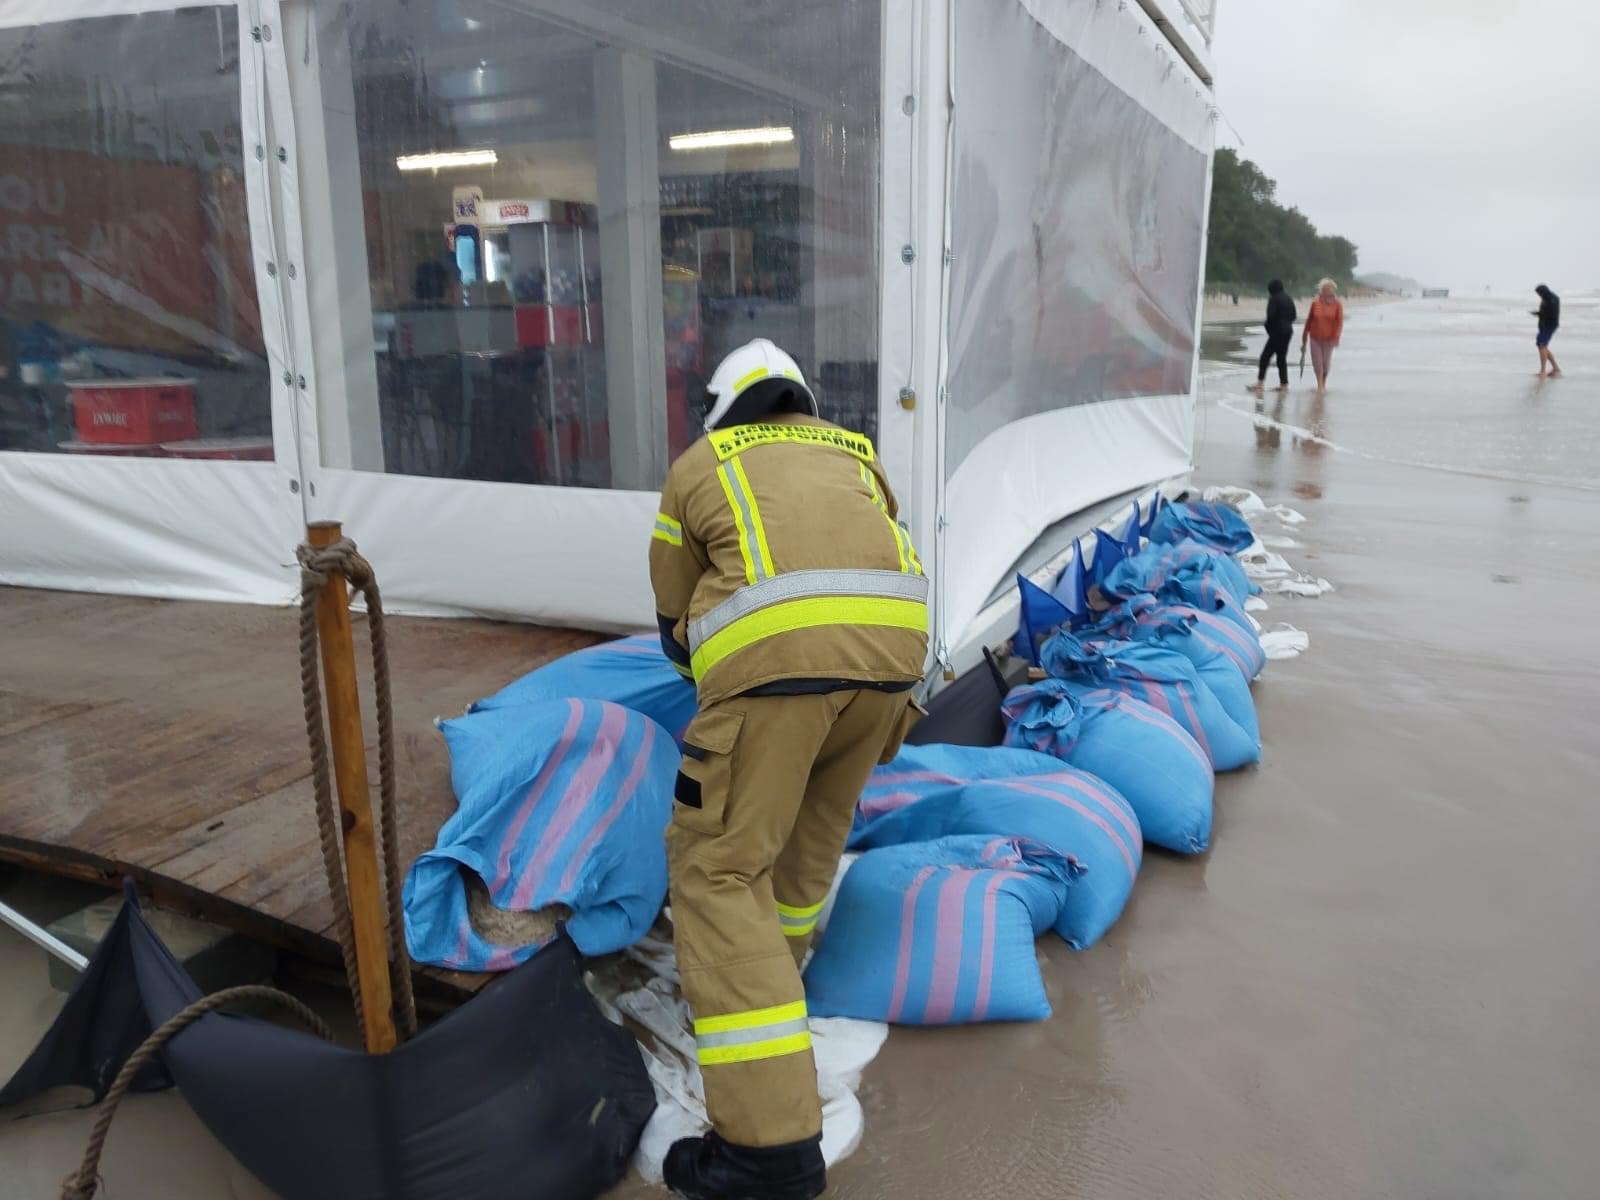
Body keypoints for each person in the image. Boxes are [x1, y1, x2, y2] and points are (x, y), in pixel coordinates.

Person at [649, 338, 928, 1200]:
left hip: (777, 675)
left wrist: (717, 685)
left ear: (721, 406)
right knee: (809, 839)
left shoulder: (699, 466)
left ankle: (767, 1152)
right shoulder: (857, 454)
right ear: (800, 400)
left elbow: (673, 615)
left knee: (717, 869)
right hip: (893, 669)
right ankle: (779, 980)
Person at [1248, 279, 1297, 392]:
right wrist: (1286, 323)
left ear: (1271, 289)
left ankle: (1260, 383)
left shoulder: (1274, 299)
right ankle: (1284, 384)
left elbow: (1271, 316)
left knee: (1265, 357)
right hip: (1288, 331)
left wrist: (1268, 327)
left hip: (1277, 332)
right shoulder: (1288, 298)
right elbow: (1294, 316)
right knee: (1281, 358)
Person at [1301, 278, 1344, 394]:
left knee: (1326, 363)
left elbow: (1339, 322)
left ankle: (1323, 383)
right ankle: (1319, 385)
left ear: (1333, 290)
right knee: (1317, 363)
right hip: (1315, 337)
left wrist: (1337, 337)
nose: (1326, 292)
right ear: (1321, 290)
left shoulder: (1338, 304)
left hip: (1329, 338)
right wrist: (1305, 334)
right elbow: (1309, 319)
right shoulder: (1315, 303)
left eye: (1329, 289)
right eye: (1324, 289)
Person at [1533, 284, 1562, 377]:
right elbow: (1545, 313)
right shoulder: (1546, 298)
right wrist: (1538, 313)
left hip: (1549, 325)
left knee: (1542, 345)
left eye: (1539, 293)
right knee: (1542, 346)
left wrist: (1540, 314)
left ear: (1543, 291)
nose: (1539, 295)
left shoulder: (1552, 299)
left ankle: (1543, 371)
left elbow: (1551, 315)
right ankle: (1555, 368)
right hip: (1544, 325)